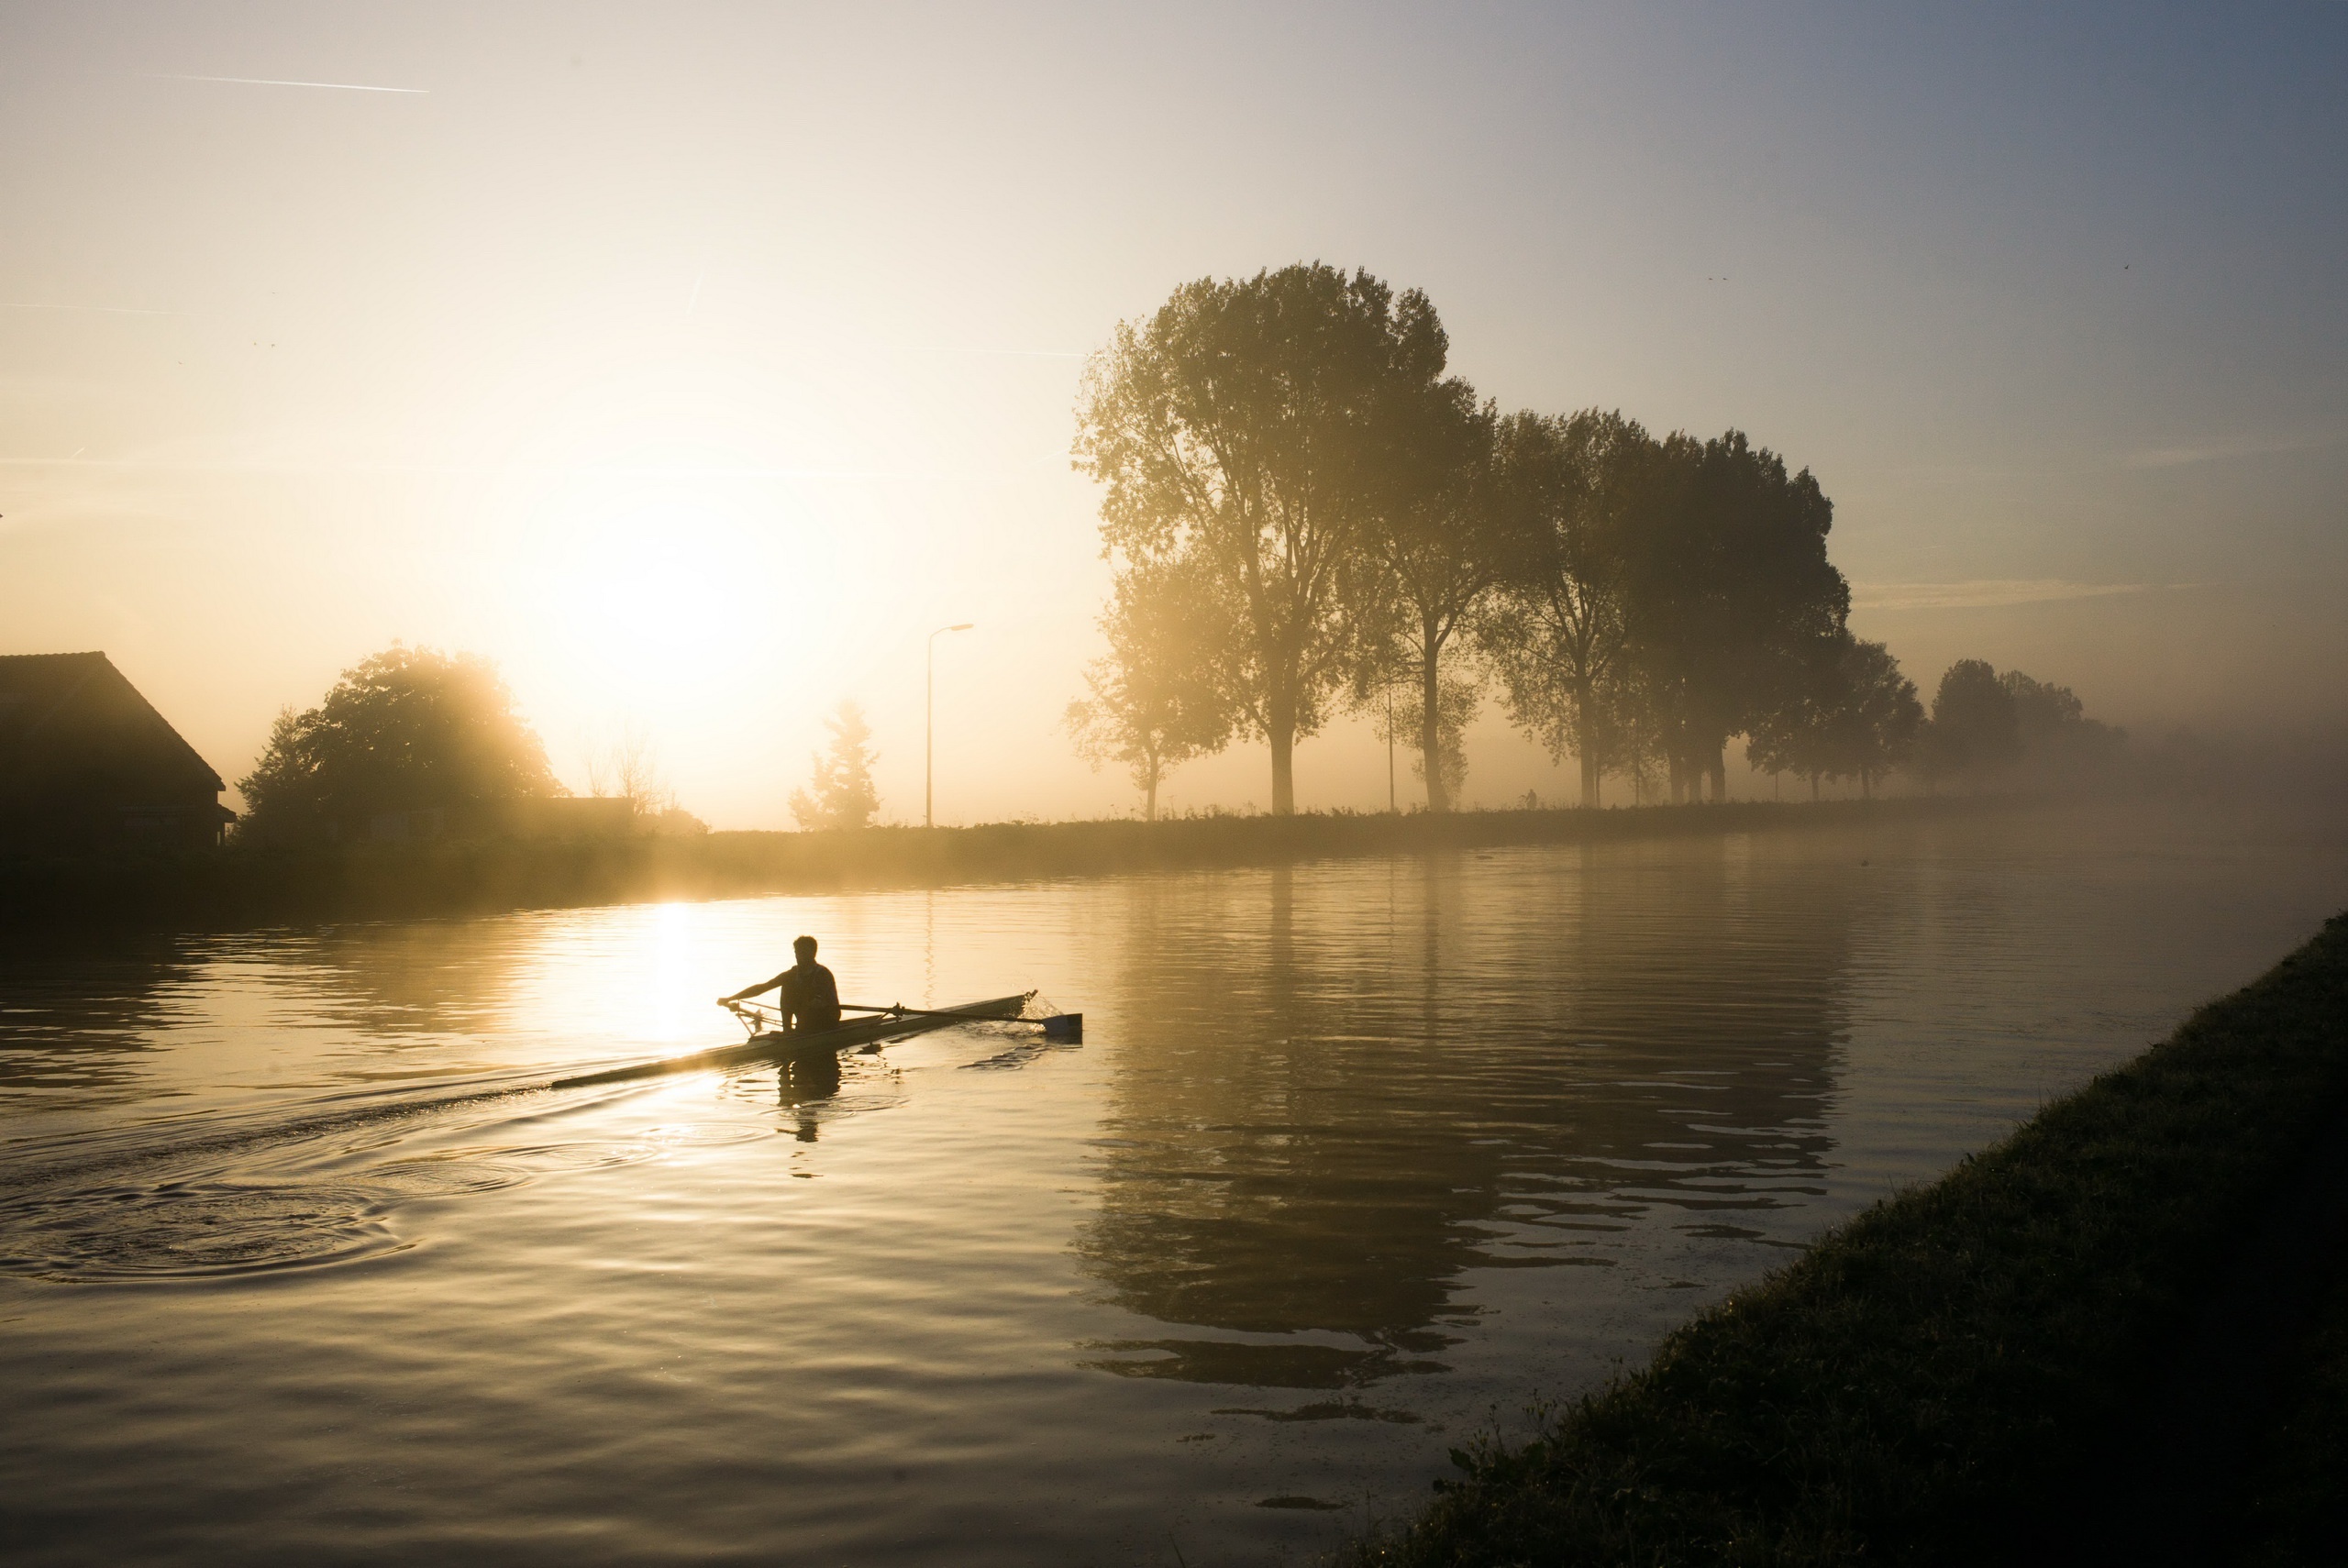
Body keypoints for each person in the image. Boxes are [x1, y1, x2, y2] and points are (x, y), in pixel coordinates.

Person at [722, 934, 842, 1033]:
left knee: (793, 990)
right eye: (797, 952)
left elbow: (817, 1003)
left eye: (803, 953)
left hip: (827, 1021)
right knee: (787, 986)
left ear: (813, 954)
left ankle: (792, 1034)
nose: (799, 956)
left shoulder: (822, 974)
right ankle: (788, 1031)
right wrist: (731, 998)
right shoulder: (791, 974)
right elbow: (763, 987)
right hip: (806, 1022)